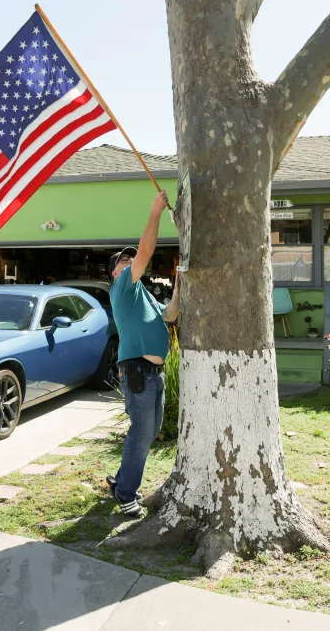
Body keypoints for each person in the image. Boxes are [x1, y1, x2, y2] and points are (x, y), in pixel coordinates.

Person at [105, 190, 179, 517]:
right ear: (115, 272)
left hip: (154, 375)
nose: (130, 261)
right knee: (142, 432)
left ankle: (120, 482)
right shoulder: (122, 287)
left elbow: (171, 314)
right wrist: (155, 211)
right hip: (137, 372)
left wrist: (180, 281)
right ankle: (125, 494)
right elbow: (146, 250)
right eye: (124, 260)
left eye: (129, 259)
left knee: (148, 431)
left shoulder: (143, 294)